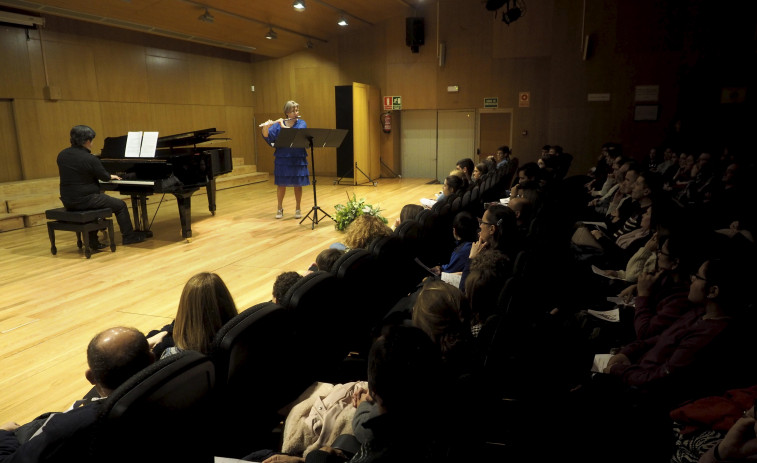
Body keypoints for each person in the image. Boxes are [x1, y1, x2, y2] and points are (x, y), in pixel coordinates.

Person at [0, 326, 154, 461]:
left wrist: (4, 435)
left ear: (91, 377)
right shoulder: (171, 385)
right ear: (153, 359)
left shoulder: (69, 427)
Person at [57, 125, 147, 246]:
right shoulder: (90, 158)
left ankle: (93, 242)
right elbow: (104, 177)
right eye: (92, 141)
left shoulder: (62, 155)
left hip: (67, 200)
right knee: (120, 205)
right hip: (87, 200)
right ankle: (128, 237)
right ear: (88, 141)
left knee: (98, 201)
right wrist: (111, 176)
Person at [148, 272, 238, 359]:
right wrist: (165, 333)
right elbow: (177, 325)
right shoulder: (237, 334)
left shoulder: (173, 355)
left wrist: (156, 349)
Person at [261, 100, 309, 219]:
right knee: (281, 184)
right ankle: (279, 208)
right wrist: (266, 127)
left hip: (297, 157)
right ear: (287, 112)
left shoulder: (302, 123)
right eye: (293, 111)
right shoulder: (278, 125)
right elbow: (267, 136)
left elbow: (294, 134)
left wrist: (282, 125)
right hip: (283, 158)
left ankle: (298, 208)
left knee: (298, 184)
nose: (296, 112)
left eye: (297, 110)